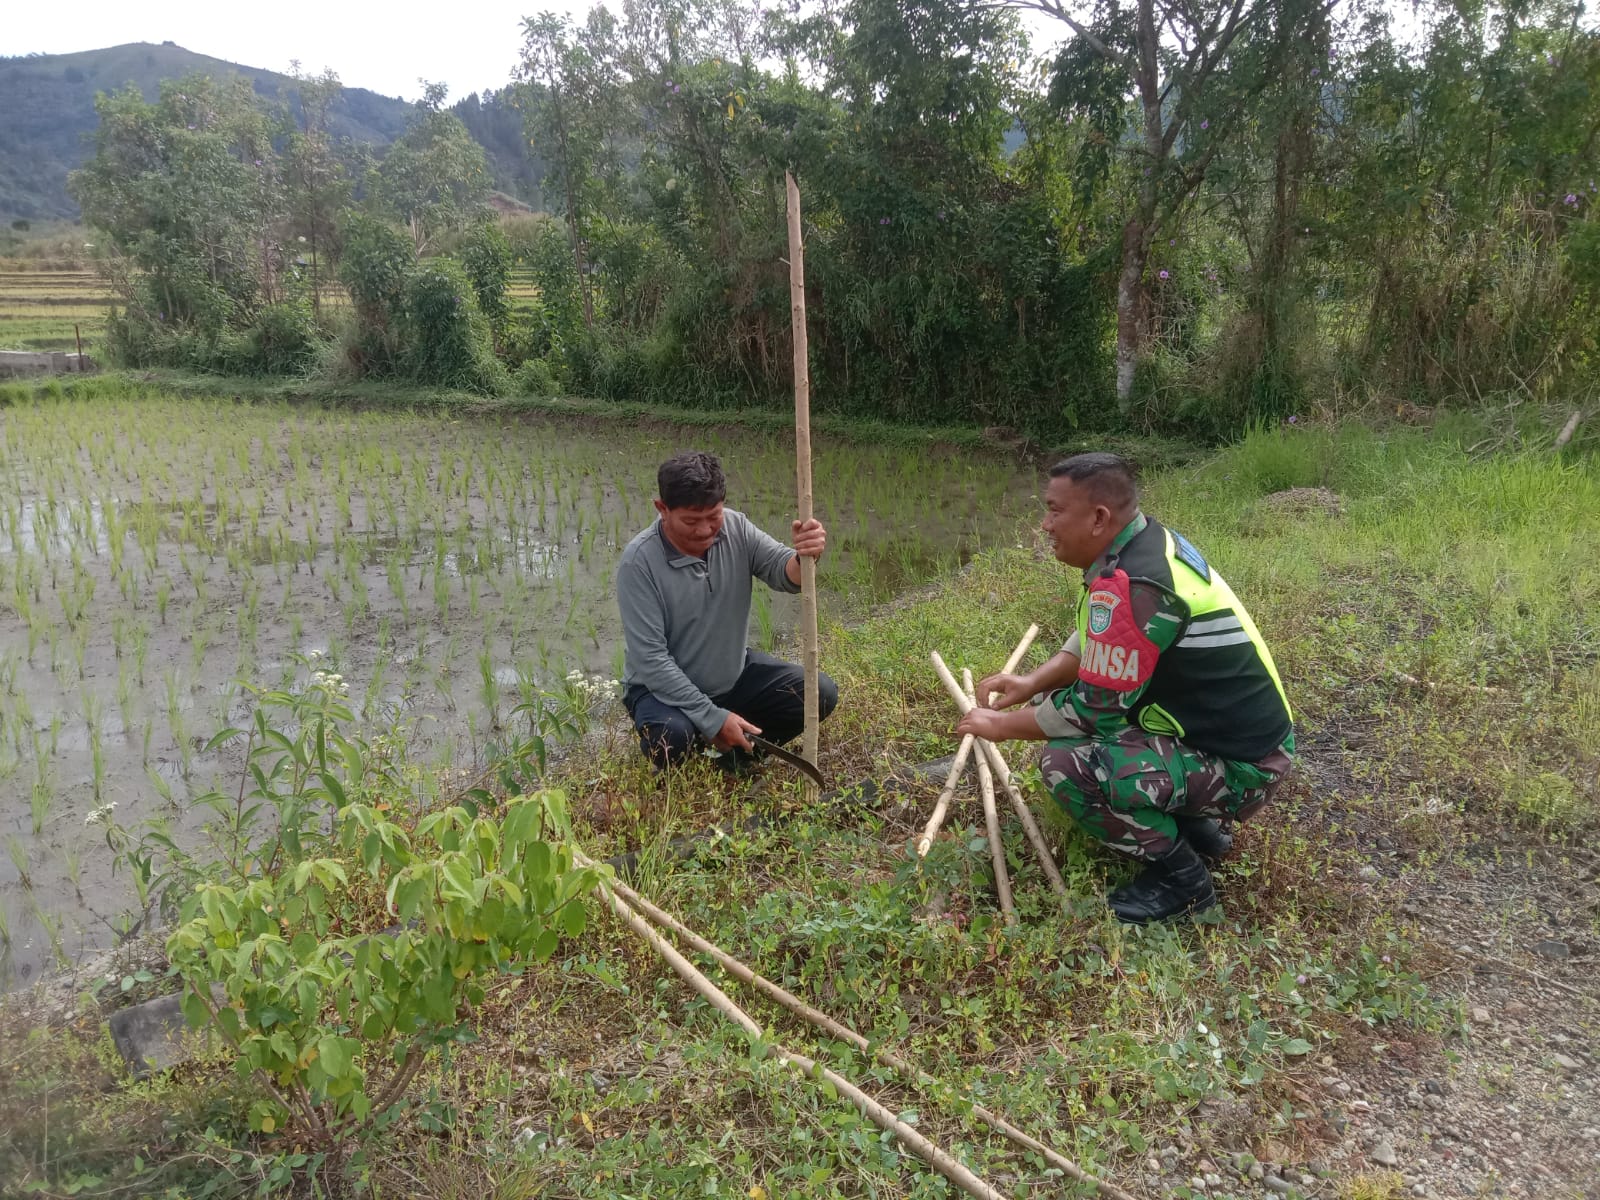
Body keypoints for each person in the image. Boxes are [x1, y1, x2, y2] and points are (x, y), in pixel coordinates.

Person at [955, 452, 1294, 923]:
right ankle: (1195, 827)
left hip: (1246, 765)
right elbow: (1102, 638)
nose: (1044, 524)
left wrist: (1000, 725)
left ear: (1098, 519)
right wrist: (1034, 680)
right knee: (1047, 707)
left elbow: (1089, 713)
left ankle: (1185, 883)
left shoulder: (1140, 583)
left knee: (1065, 763)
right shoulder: (1140, 547)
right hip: (1225, 737)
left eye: (1055, 510)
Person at [617, 450, 839, 769]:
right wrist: (713, 718)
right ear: (662, 509)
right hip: (660, 691)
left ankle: (729, 760)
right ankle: (698, 752)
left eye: (714, 516)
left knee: (819, 692)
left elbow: (784, 572)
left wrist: (806, 554)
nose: (706, 530)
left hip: (731, 676)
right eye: (692, 521)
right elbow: (650, 661)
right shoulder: (639, 563)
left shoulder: (735, 527)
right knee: (672, 739)